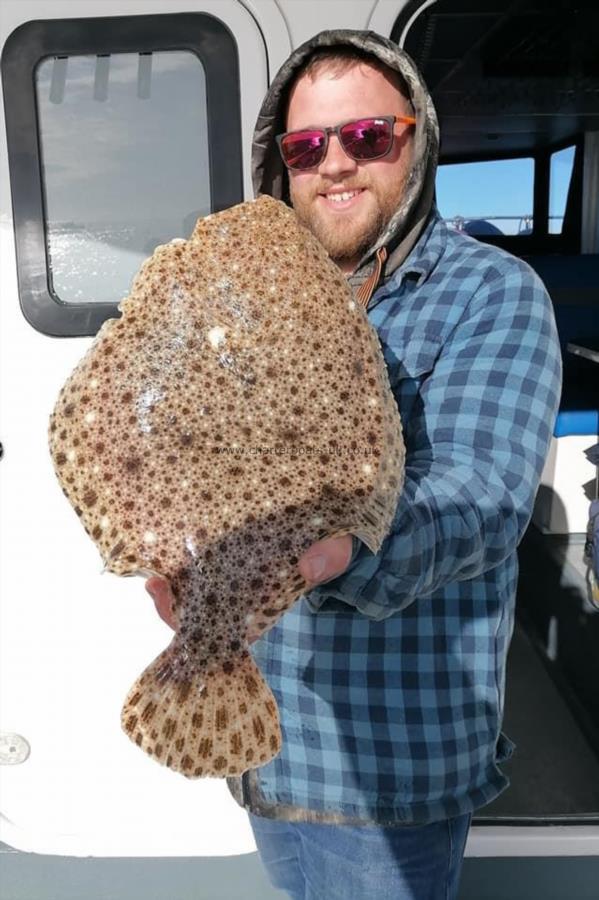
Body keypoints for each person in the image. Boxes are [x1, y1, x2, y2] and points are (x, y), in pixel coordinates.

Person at [147, 30, 562, 900]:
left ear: (417, 141)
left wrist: (346, 545)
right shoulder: (243, 305)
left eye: (366, 137)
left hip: (392, 765)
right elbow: (183, 437)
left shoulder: (493, 292)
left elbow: (481, 496)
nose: (333, 163)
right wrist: (170, 546)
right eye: (305, 147)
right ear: (281, 164)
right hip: (264, 738)